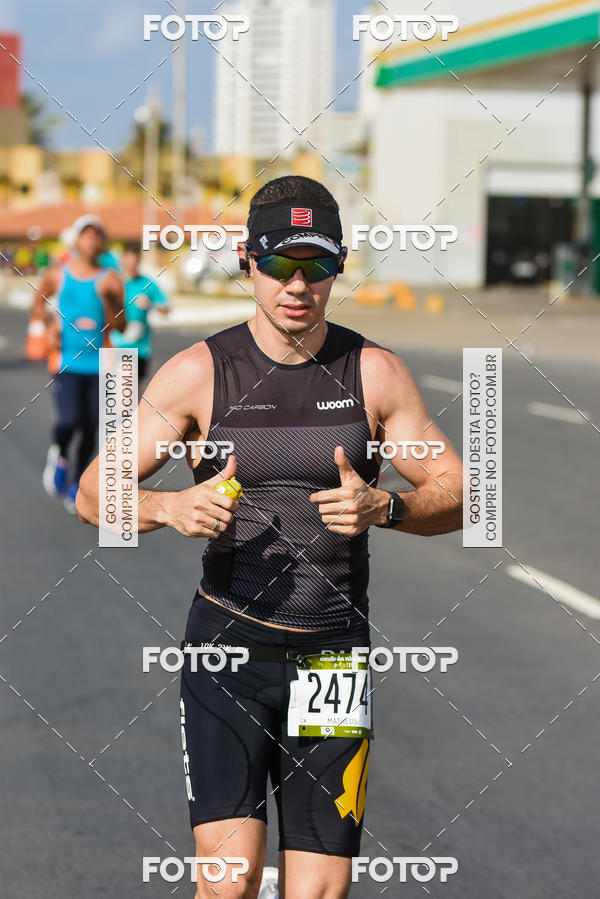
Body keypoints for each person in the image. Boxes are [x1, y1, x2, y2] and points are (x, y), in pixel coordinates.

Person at [76, 176, 463, 898]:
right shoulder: (201, 373)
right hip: (228, 648)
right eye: (281, 262)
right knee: (230, 881)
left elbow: (463, 493)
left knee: (318, 891)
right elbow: (94, 492)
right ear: (248, 261)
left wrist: (387, 506)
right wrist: (168, 507)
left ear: (338, 268)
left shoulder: (374, 373)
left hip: (332, 657)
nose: (297, 284)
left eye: (316, 265)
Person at [33, 215, 125, 512]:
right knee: (69, 421)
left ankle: (76, 482)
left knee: (90, 426)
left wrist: (110, 302)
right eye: (86, 234)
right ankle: (60, 454)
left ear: (102, 242)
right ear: (76, 240)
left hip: (100, 364)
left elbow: (121, 326)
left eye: (96, 235)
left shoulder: (111, 279)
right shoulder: (57, 274)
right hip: (66, 363)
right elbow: (39, 303)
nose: (91, 240)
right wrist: (49, 325)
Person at [109, 241, 169, 382]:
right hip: (114, 344)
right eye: (128, 259)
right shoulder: (113, 282)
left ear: (139, 261)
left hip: (139, 347)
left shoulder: (147, 283)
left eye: (134, 260)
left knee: (133, 388)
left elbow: (166, 309)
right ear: (122, 260)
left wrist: (150, 305)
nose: (131, 264)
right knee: (111, 390)